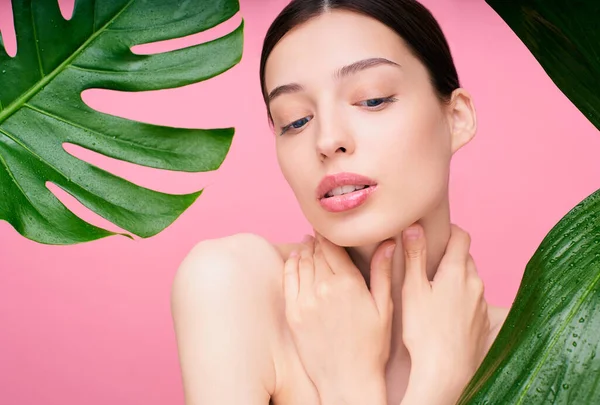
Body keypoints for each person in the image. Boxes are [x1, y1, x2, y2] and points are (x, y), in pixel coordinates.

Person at [170, 0, 511, 404]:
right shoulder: (233, 286)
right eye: (295, 121)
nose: (328, 140)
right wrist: (432, 386)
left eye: (372, 99)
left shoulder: (548, 343)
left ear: (456, 117)